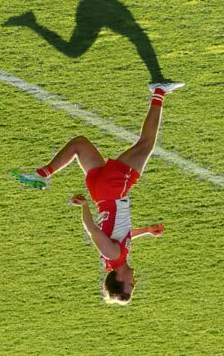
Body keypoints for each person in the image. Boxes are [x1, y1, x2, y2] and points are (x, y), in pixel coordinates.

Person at [14, 81, 184, 304]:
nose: (135, 282)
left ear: (119, 278)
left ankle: (159, 91)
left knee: (146, 144)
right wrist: (147, 231)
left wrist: (83, 207)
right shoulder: (115, 258)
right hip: (101, 191)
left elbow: (93, 230)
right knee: (79, 144)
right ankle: (43, 173)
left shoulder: (113, 256)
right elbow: (124, 235)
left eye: (130, 285)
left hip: (113, 190)